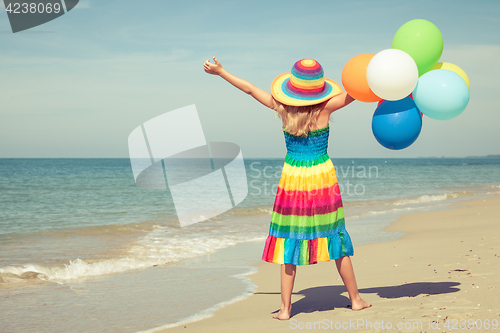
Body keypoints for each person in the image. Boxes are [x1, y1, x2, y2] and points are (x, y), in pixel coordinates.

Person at [203, 57, 372, 320]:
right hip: (321, 178)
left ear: (291, 88)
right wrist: (379, 82)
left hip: (292, 179)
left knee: (289, 238)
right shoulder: (326, 108)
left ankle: (284, 309)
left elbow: (248, 89)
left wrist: (221, 71)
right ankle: (356, 299)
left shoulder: (282, 109)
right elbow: (357, 94)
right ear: (319, 88)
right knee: (335, 234)